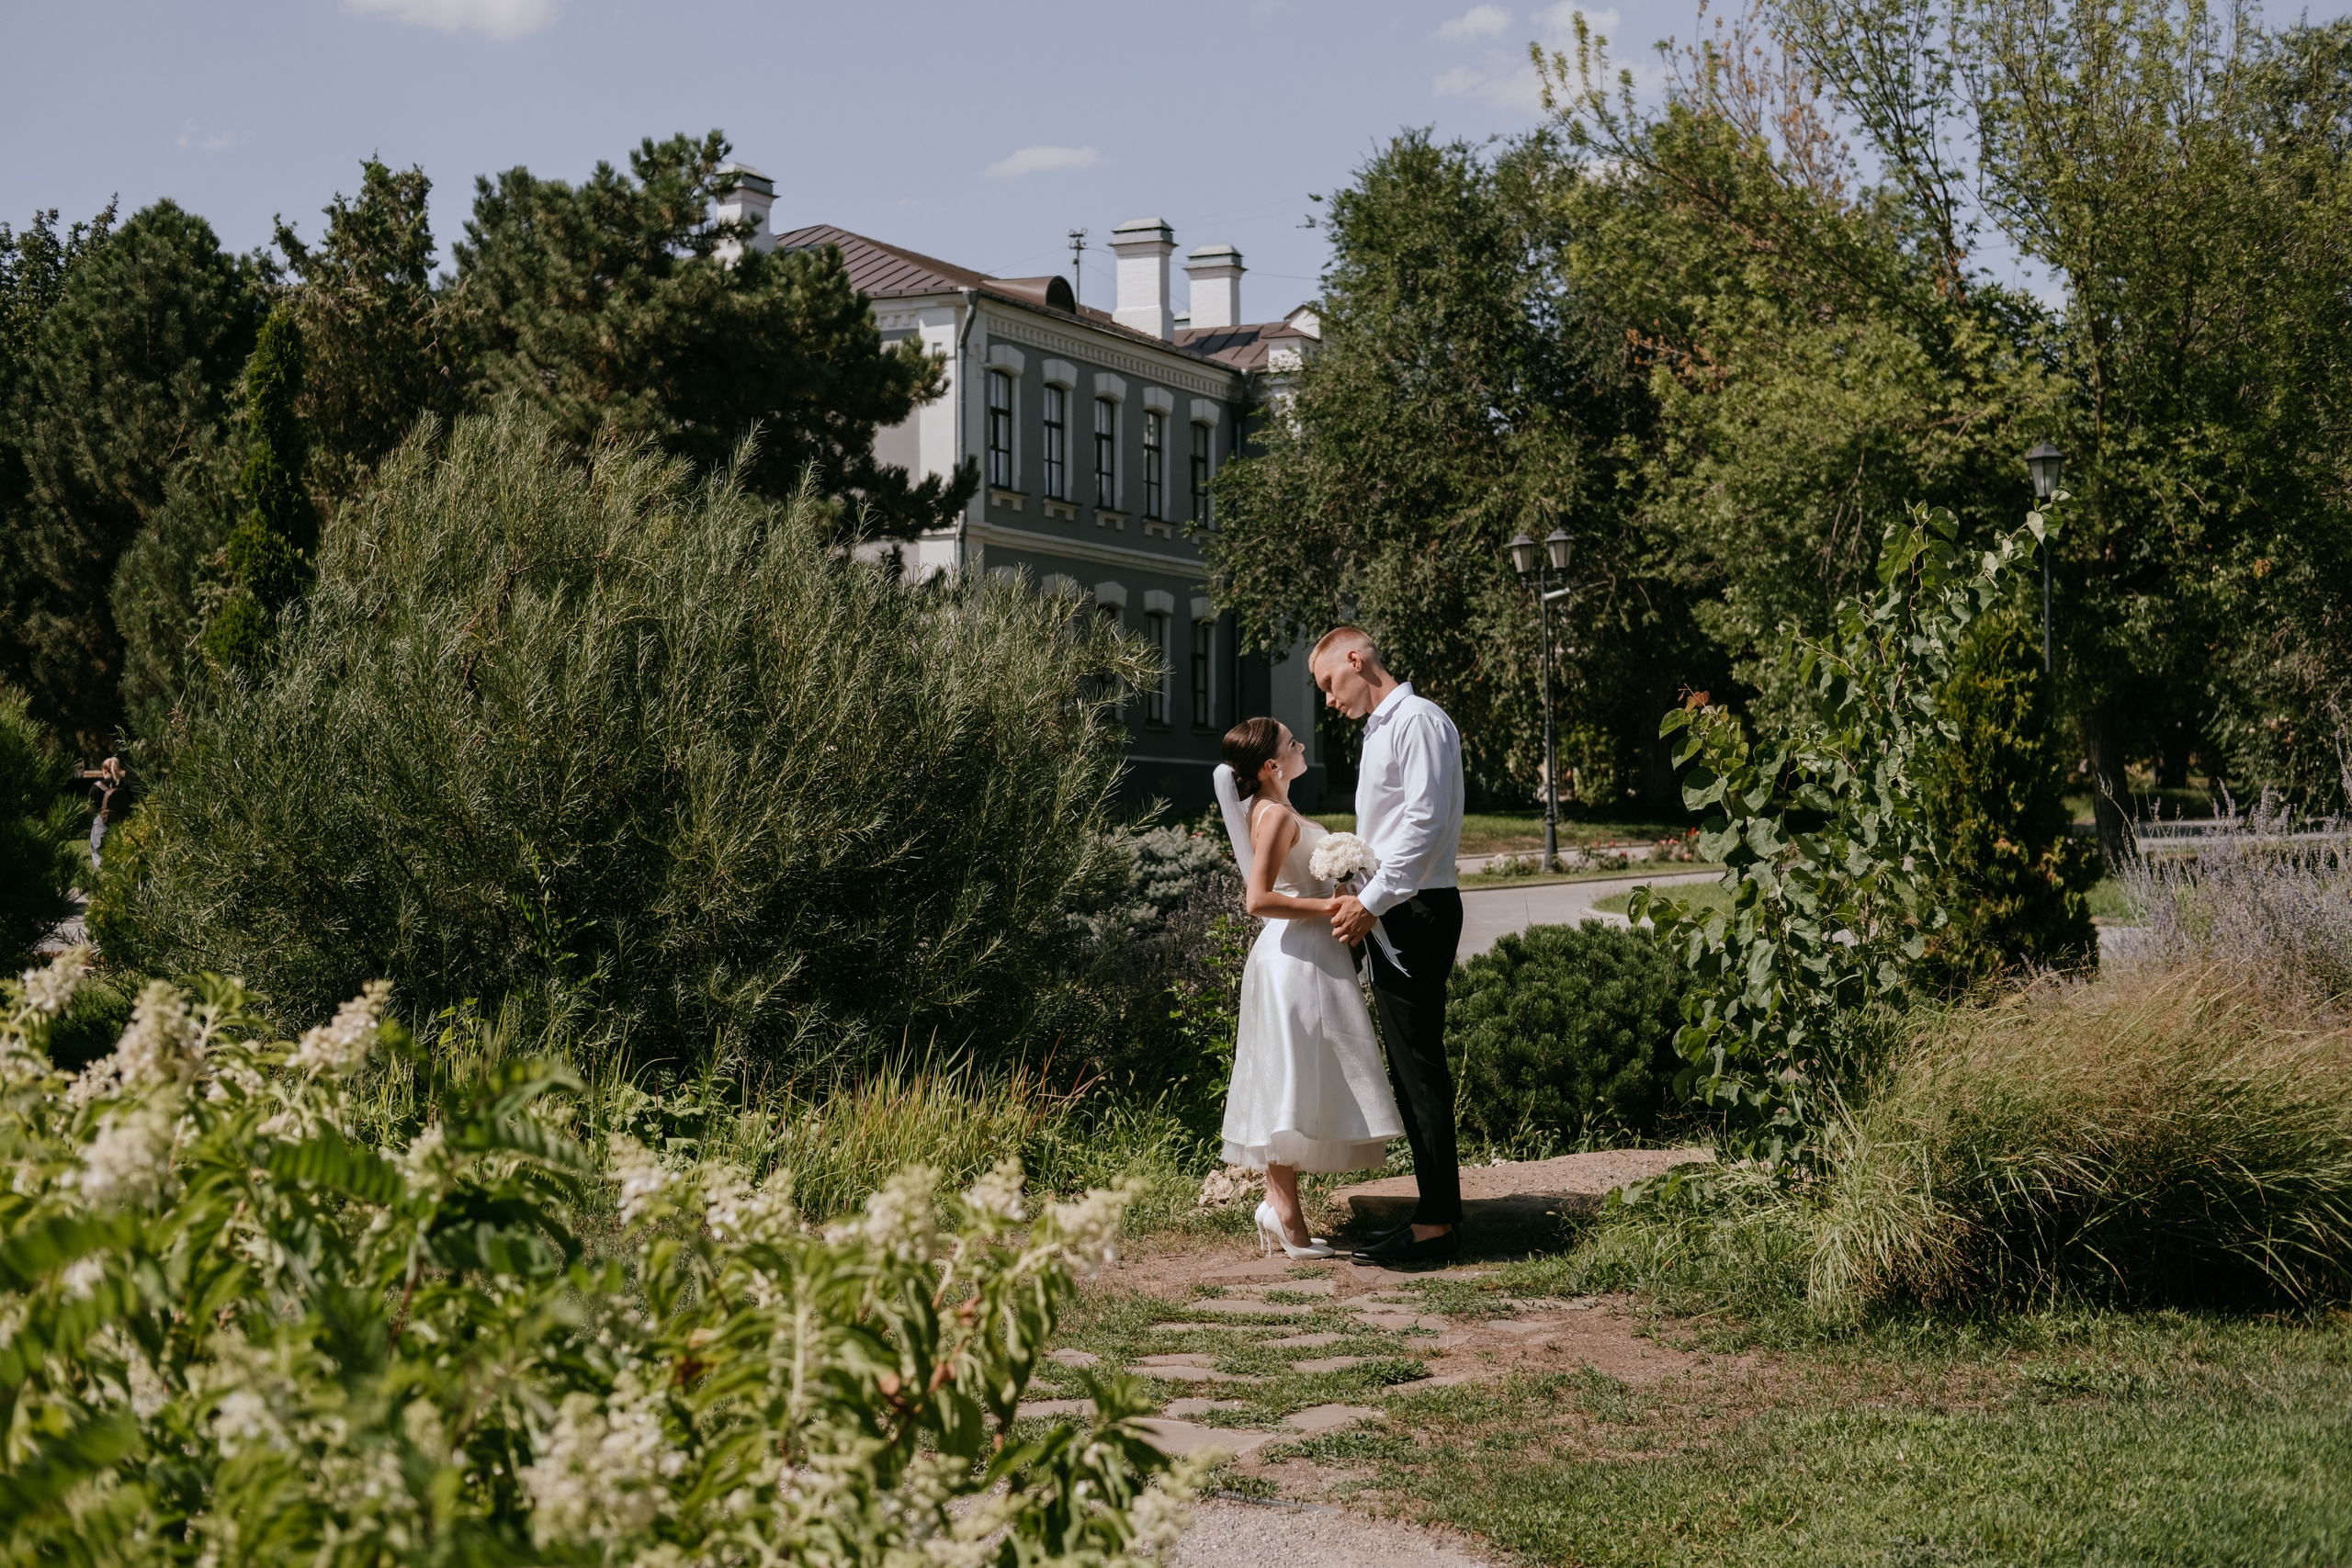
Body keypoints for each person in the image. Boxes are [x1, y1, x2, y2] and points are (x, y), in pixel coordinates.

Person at [1214, 716, 1405, 1260]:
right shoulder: (1272, 814)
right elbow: (1258, 900)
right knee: (1289, 1080)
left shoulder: (1284, 810)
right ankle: (1286, 1216)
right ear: (1273, 765)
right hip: (1291, 960)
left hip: (1312, 958)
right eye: (1292, 743)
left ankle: (1280, 1209)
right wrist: (1333, 904)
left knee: (1301, 1075)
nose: (1301, 746)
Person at [1310, 626, 1466, 1264]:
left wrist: (1369, 904)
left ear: (1357, 658)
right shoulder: (1379, 728)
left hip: (1415, 911)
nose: (1326, 699)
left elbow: (1426, 824)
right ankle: (1433, 1214)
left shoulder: (1419, 720)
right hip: (1393, 910)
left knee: (1421, 1070)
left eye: (1327, 682)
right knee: (1408, 1070)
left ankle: (1439, 1227)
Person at [87, 756, 124, 873]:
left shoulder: (96, 787)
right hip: (122, 824)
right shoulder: (124, 786)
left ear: (104, 770)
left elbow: (89, 808)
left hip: (101, 826)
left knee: (100, 858)